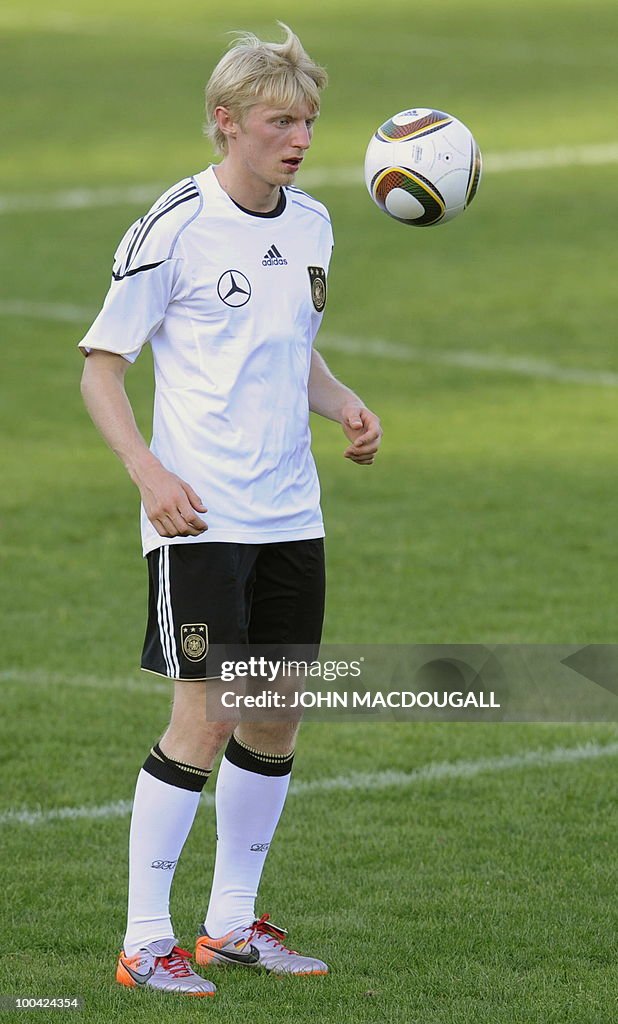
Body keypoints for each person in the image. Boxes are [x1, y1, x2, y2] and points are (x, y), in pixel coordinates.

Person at [79, 22, 382, 997]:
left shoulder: (314, 223)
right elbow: (101, 369)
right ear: (226, 123)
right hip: (201, 517)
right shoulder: (174, 224)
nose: (298, 138)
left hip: (294, 512)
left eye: (308, 120)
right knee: (201, 720)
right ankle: (142, 941)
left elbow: (287, 346)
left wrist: (342, 403)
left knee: (276, 716)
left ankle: (230, 926)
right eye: (278, 120)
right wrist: (146, 472)